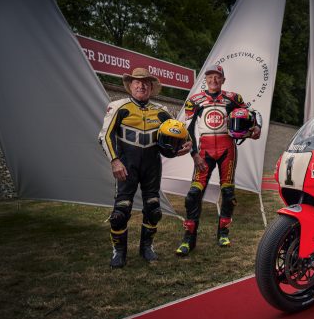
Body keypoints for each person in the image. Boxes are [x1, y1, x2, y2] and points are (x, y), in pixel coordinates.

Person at [99, 67, 191, 269]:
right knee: (120, 212)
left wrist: (188, 145)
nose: (141, 85)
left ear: (151, 87)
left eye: (145, 83)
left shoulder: (161, 111)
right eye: (137, 82)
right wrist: (114, 161)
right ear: (130, 85)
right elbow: (105, 136)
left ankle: (146, 247)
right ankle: (120, 251)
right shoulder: (118, 107)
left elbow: (182, 133)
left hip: (152, 165)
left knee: (154, 208)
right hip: (126, 164)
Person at [176, 64, 261, 255]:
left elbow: (251, 115)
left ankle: (223, 233)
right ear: (205, 79)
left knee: (229, 195)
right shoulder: (195, 101)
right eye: (210, 77)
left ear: (223, 80)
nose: (213, 80)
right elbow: (188, 130)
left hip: (227, 149)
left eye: (217, 77)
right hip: (204, 151)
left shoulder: (233, 98)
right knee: (193, 196)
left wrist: (256, 128)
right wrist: (194, 154)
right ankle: (188, 239)